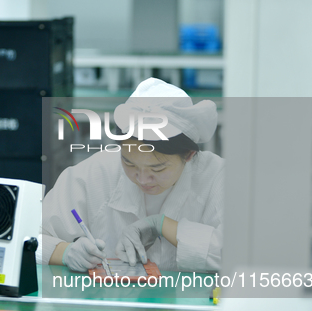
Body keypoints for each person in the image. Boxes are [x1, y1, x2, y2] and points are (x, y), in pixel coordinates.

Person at [39, 78, 223, 272]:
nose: (142, 179)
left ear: (189, 155)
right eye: (129, 162)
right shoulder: (95, 173)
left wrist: (161, 226)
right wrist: (65, 252)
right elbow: (26, 238)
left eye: (157, 169)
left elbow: (243, 255)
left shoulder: (216, 178)